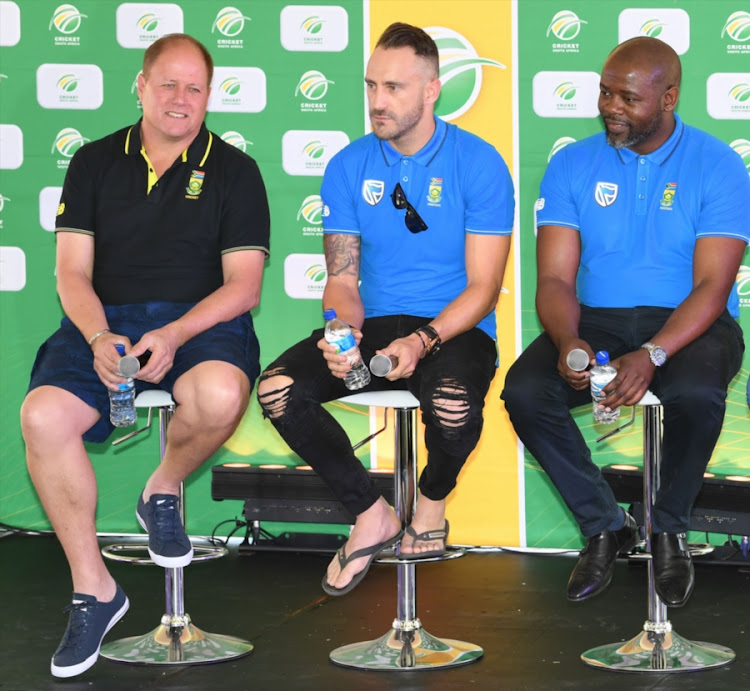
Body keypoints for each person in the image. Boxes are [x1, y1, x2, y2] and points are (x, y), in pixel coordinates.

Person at [20, 34, 270, 678]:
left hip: (200, 323)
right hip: (105, 321)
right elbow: (71, 272)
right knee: (43, 417)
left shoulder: (237, 171)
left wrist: (180, 334)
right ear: (140, 85)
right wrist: (101, 337)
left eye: (194, 87)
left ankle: (163, 484)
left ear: (210, 95)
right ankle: (93, 589)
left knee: (216, 395)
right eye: (167, 84)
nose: (180, 99)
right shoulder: (95, 160)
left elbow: (243, 286)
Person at [257, 22, 514, 597]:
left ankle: (429, 504)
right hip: (375, 324)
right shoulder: (348, 165)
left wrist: (422, 341)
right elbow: (343, 277)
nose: (377, 101)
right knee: (277, 389)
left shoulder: (479, 162)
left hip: (454, 326)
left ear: (432, 90)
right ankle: (371, 513)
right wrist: (341, 331)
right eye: (371, 85)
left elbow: (483, 287)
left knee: (450, 405)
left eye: (394, 87)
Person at [502, 37, 749, 608]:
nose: (611, 106)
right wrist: (568, 341)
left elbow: (713, 286)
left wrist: (655, 354)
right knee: (525, 390)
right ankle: (604, 526)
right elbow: (557, 281)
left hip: (691, 321)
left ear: (669, 97)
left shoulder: (718, 164)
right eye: (605, 92)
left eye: (628, 98)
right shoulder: (571, 163)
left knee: (696, 391)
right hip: (598, 319)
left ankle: (669, 529)